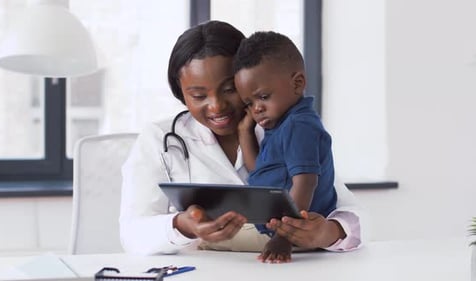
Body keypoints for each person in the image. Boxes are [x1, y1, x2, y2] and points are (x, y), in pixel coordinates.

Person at [119, 20, 364, 260]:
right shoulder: (159, 139)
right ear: (181, 94)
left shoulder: (284, 127)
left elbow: (356, 215)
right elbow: (131, 234)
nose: (216, 106)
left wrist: (329, 233)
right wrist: (182, 226)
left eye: (229, 89)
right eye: (198, 95)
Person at [234, 31, 337, 263]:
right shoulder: (279, 124)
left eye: (263, 96)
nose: (256, 108)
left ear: (297, 83)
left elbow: (306, 182)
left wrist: (284, 237)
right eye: (249, 103)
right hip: (278, 232)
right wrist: (244, 131)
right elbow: (258, 171)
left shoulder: (299, 125)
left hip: (294, 236)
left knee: (207, 243)